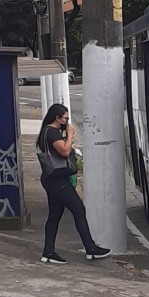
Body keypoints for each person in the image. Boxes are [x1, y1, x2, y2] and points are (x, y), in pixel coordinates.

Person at [37, 103, 111, 264]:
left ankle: (48, 252)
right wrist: (70, 135)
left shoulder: (46, 131)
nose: (67, 121)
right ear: (57, 118)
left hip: (52, 178)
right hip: (57, 180)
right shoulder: (52, 132)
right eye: (65, 118)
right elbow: (63, 150)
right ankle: (90, 248)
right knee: (78, 209)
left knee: (55, 215)